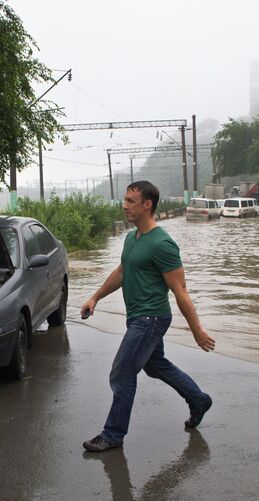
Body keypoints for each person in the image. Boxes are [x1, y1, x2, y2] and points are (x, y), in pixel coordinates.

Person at [81, 181, 216, 452]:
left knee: (121, 372)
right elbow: (122, 272)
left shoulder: (163, 244)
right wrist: (95, 297)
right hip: (137, 317)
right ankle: (198, 400)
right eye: (125, 199)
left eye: (131, 201)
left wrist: (197, 330)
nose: (124, 205)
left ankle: (113, 434)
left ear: (147, 205)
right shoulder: (133, 238)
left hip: (151, 319)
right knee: (155, 366)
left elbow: (180, 290)